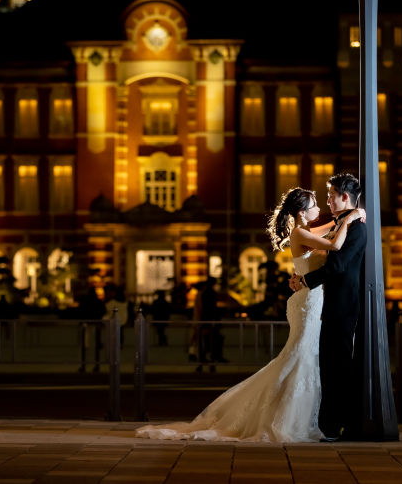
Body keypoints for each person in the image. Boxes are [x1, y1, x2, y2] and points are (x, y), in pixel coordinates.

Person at [137, 183, 364, 443]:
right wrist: (352, 218)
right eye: (314, 204)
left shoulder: (305, 231)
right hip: (307, 303)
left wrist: (345, 218)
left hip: (310, 300)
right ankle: (287, 417)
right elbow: (335, 244)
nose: (320, 207)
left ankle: (304, 416)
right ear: (301, 212)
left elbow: (330, 232)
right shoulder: (301, 234)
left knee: (305, 357)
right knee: (300, 356)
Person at [288, 173, 367, 442]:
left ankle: (348, 425)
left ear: (345, 196)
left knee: (340, 368)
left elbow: (336, 266)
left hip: (343, 306)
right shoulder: (342, 224)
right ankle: (329, 423)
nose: (328, 201)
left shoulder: (356, 228)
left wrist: (304, 280)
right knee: (329, 367)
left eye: (331, 195)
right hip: (326, 304)